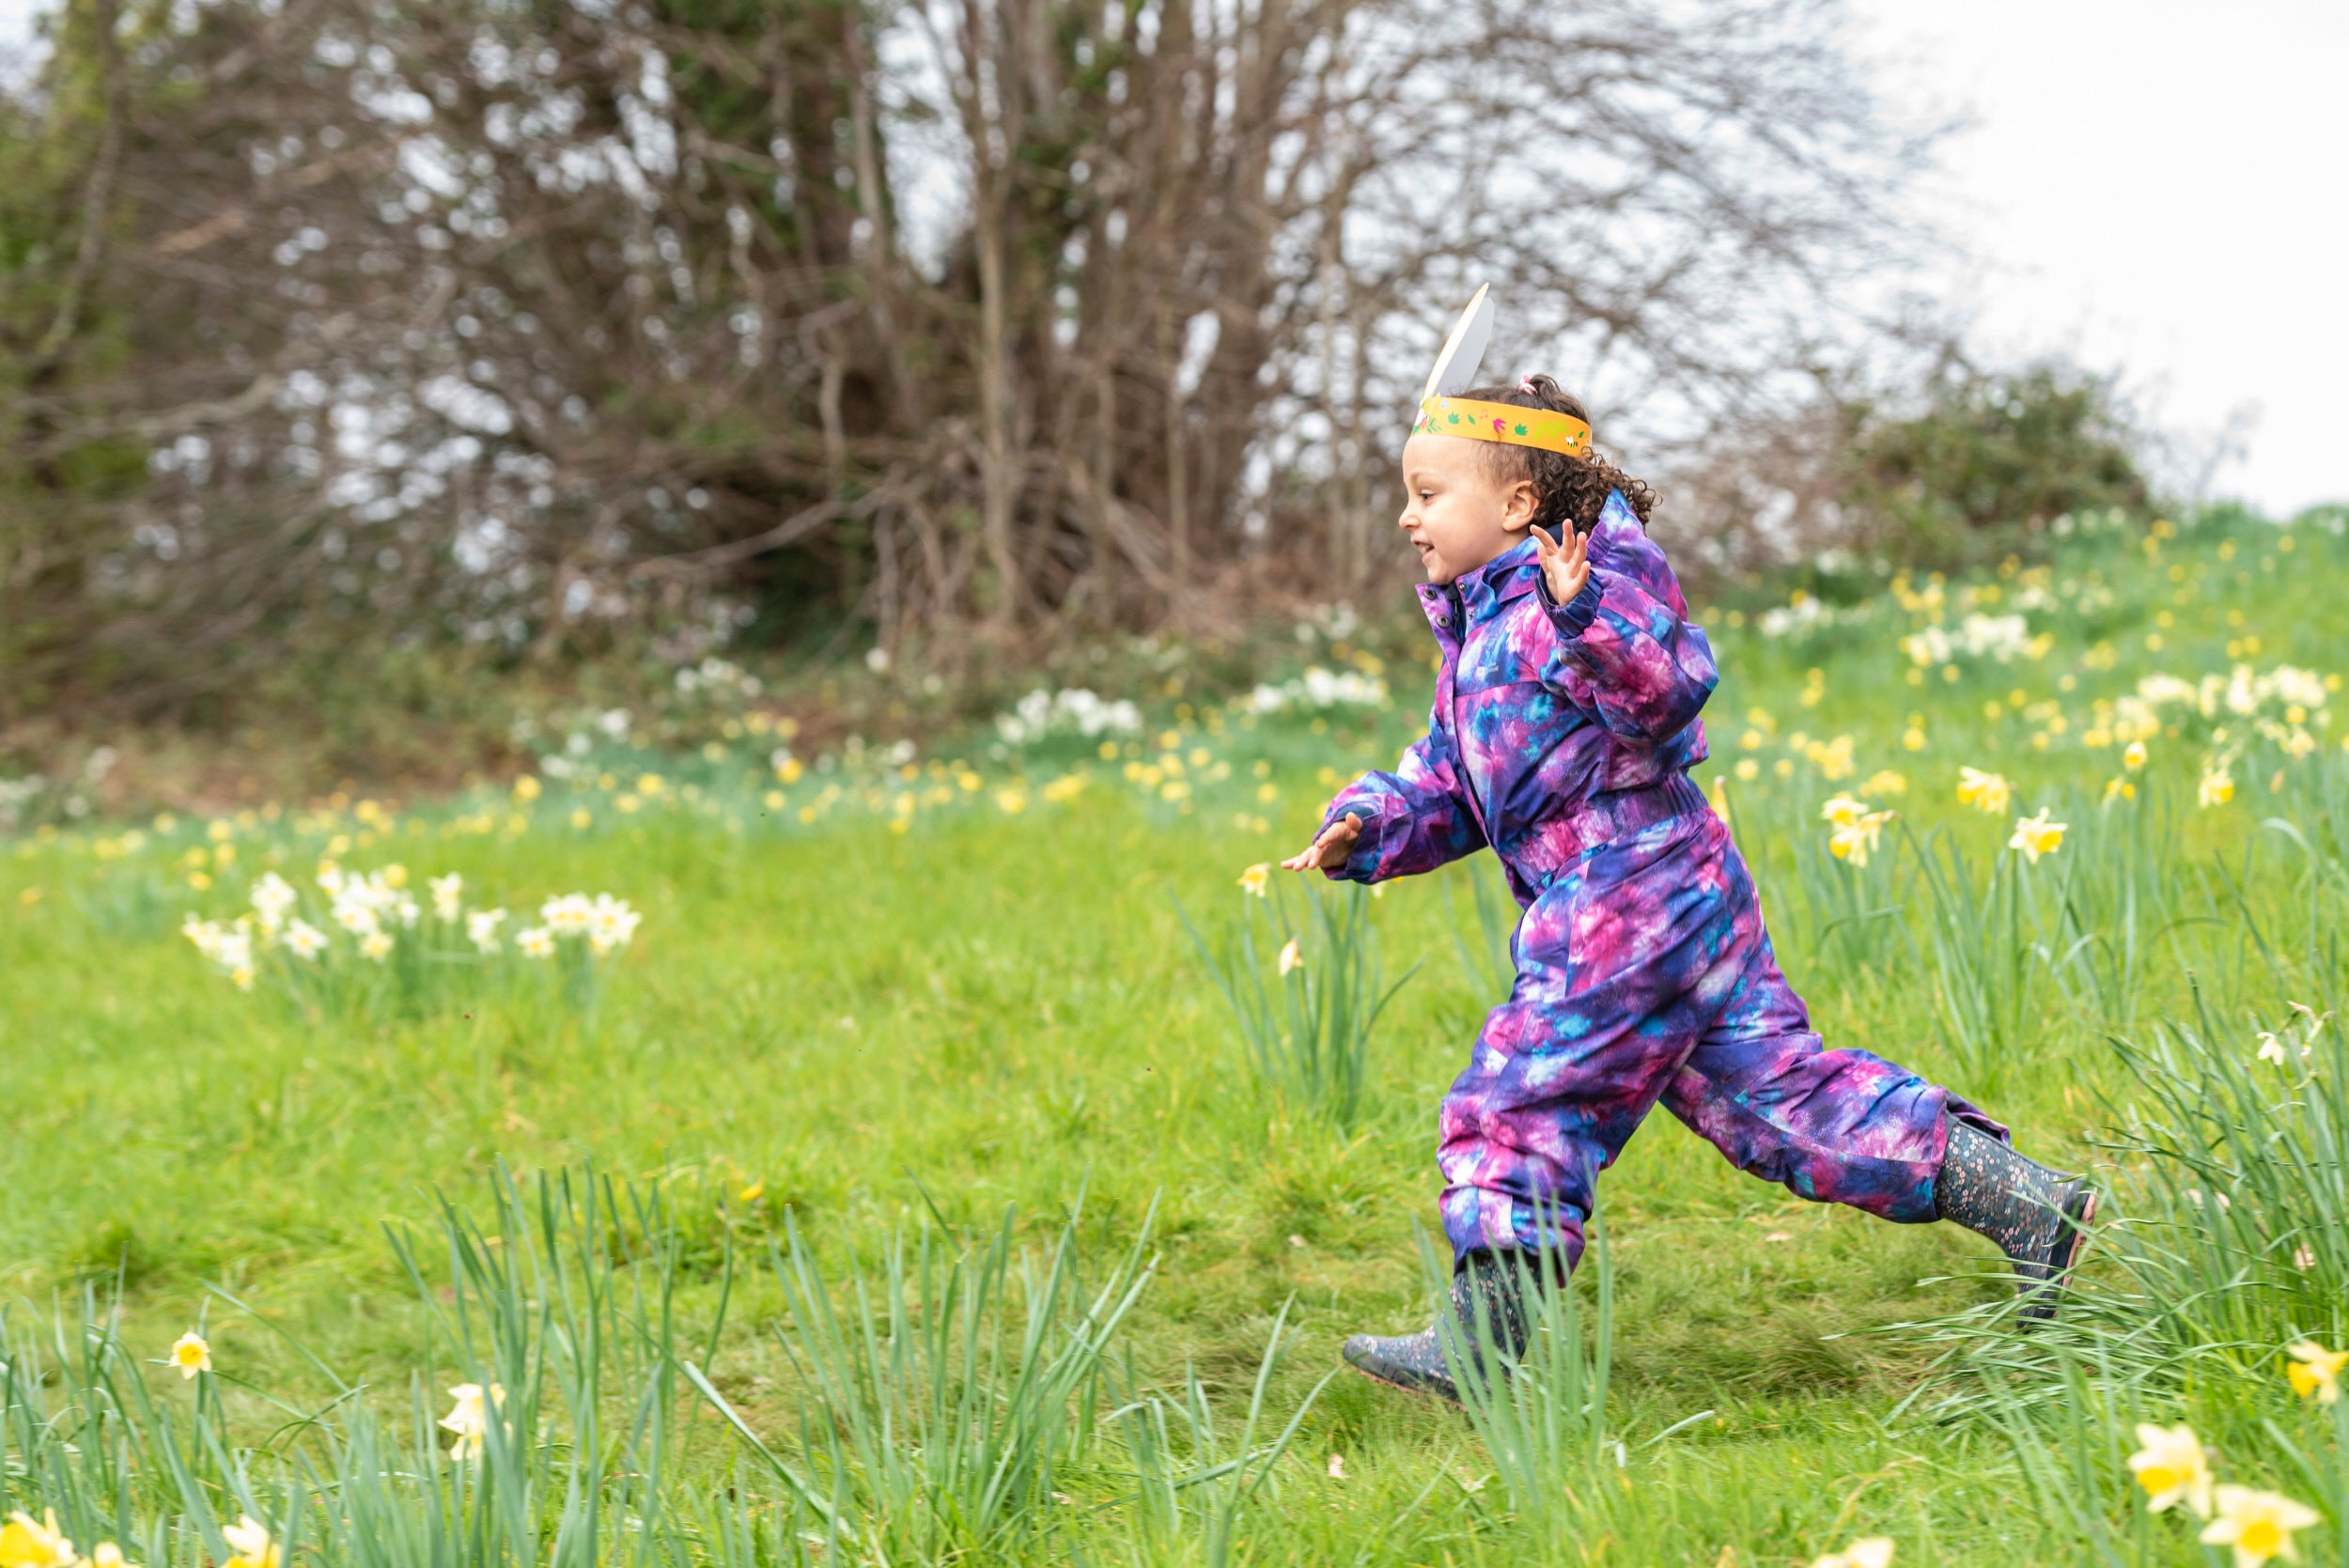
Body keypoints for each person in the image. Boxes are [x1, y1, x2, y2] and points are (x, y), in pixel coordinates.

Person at [1282, 370, 2094, 1403]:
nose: (1407, 515)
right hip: (1669, 890)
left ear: (1518, 505)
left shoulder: (1588, 586)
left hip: (1623, 895)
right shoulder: (1480, 629)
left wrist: (1585, 617)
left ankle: (1481, 1346)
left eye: (1429, 492)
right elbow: (1455, 774)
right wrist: (1370, 824)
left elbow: (1662, 695)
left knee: (1528, 1084)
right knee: (1777, 1102)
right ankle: (2030, 1203)